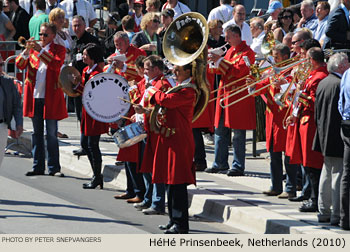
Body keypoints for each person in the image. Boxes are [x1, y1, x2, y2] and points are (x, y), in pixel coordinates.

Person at [146, 63, 197, 234]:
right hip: (170, 137)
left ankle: (181, 224)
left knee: (178, 183)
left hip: (179, 140)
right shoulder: (179, 88)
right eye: (174, 69)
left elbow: (167, 101)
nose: (173, 73)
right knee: (169, 181)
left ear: (188, 72)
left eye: (178, 70)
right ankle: (173, 219)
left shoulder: (188, 90)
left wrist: (153, 90)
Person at [15, 22, 67, 176]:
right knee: (36, 133)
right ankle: (37, 166)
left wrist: (40, 50)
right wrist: (26, 50)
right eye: (41, 35)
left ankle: (54, 168)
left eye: (45, 35)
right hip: (35, 96)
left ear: (53, 36)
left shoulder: (59, 49)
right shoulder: (32, 51)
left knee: (51, 133)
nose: (42, 37)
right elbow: (20, 65)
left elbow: (55, 64)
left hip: (50, 96)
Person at [205, 25, 255, 176]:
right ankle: (219, 163)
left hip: (238, 97)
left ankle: (238, 166)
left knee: (238, 134)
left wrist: (219, 60)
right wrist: (211, 62)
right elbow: (222, 70)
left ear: (236, 36)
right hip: (225, 95)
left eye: (227, 37)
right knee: (220, 130)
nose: (225, 40)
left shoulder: (248, 52)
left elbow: (239, 72)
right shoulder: (231, 51)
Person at [250, 44, 298, 199]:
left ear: (285, 57)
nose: (273, 60)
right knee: (274, 155)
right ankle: (275, 186)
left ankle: (290, 188)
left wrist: (283, 84)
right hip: (272, 120)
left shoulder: (292, 71)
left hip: (284, 119)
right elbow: (262, 87)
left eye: (276, 57)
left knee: (288, 156)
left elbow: (294, 90)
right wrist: (251, 85)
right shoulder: (272, 72)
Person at [285, 47, 328, 212]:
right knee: (308, 165)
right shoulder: (313, 75)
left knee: (313, 165)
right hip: (305, 121)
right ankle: (311, 196)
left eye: (307, 59)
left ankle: (315, 199)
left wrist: (299, 95)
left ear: (313, 60)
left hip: (311, 124)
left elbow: (315, 102)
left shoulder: (319, 77)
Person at [132, 55, 172, 215]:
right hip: (147, 129)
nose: (144, 71)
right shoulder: (152, 83)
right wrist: (139, 115)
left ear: (156, 69)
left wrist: (144, 112)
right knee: (148, 167)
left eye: (147, 68)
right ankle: (150, 199)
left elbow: (163, 110)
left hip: (155, 132)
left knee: (156, 169)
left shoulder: (163, 84)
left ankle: (157, 202)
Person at [313, 52, 349, 225]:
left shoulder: (323, 82)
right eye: (347, 63)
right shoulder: (339, 83)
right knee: (337, 174)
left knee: (327, 173)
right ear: (341, 66)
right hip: (336, 135)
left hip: (323, 134)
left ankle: (323, 210)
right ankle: (335, 214)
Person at [72, 43, 108, 189]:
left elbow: (93, 92)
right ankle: (96, 175)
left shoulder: (97, 73)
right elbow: (82, 89)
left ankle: (97, 177)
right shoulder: (87, 70)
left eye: (86, 55)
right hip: (87, 111)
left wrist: (79, 86)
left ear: (92, 57)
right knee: (87, 145)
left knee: (92, 145)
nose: (83, 57)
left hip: (95, 112)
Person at [70, 15, 100, 156]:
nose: (76, 28)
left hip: (89, 83)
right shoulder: (75, 41)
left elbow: (99, 62)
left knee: (87, 116)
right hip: (78, 83)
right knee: (79, 114)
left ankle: (88, 145)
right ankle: (84, 145)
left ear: (85, 25)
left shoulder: (92, 41)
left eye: (79, 25)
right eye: (74, 26)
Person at [0, 55, 23, 168]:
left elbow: (17, 106)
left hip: (2, 126)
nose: (0, 68)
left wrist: (19, 124)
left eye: (1, 65)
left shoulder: (8, 83)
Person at [339, 69, 350, 231]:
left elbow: (340, 102)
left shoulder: (347, 73)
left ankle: (344, 219)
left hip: (346, 123)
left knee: (346, 172)